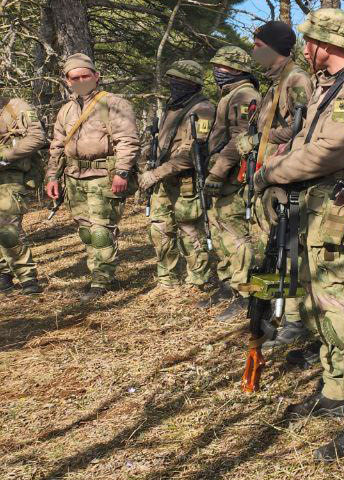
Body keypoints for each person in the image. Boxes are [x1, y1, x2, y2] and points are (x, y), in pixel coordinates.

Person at [255, 8, 344, 461]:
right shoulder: (328, 85)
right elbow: (303, 141)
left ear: (322, 43)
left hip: (343, 206)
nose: (305, 50)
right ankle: (337, 387)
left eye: (309, 42)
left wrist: (270, 173)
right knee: (319, 301)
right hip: (318, 206)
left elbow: (329, 151)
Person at [45, 54, 139, 301]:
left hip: (103, 176)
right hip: (74, 177)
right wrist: (52, 177)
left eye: (85, 75)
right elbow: (56, 146)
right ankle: (96, 272)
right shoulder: (66, 110)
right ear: (67, 81)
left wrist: (121, 173)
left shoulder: (114, 104)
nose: (81, 80)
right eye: (74, 77)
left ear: (96, 76)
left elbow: (127, 141)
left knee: (101, 231)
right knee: (86, 231)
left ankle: (101, 281)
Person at [244, 20, 313, 352]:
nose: (253, 52)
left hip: (285, 178)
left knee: (290, 251)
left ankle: (296, 321)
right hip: (268, 176)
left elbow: (307, 129)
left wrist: (281, 154)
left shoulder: (296, 80)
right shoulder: (274, 85)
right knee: (272, 249)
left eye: (258, 46)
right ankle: (276, 314)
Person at [137, 60, 216, 296]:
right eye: (173, 80)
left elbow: (193, 154)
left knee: (190, 232)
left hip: (186, 182)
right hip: (162, 181)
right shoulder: (170, 108)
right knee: (159, 230)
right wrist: (144, 166)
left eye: (180, 81)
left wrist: (156, 174)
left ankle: (197, 281)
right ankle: (167, 279)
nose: (175, 85)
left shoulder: (203, 110)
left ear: (193, 84)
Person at [203, 45, 261, 319]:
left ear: (239, 69)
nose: (217, 71)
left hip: (234, 178)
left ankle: (245, 292)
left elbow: (242, 139)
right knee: (221, 232)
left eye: (223, 67)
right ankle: (229, 284)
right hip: (223, 175)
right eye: (216, 66)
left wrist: (218, 171)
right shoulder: (229, 95)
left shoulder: (244, 95)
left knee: (236, 235)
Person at [0, 90, 48, 294]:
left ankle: (28, 279)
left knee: (8, 230)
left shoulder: (17, 107)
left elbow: (37, 136)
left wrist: (7, 155)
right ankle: (4, 275)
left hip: (10, 176)